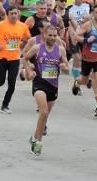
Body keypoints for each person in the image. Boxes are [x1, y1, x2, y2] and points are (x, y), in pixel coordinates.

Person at [23, 24, 69, 155]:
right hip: (39, 84)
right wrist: (29, 71)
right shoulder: (37, 48)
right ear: (44, 35)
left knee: (45, 116)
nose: (52, 38)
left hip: (53, 86)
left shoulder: (60, 50)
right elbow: (25, 59)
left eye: (55, 35)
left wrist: (64, 67)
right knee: (43, 111)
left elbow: (66, 67)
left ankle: (34, 137)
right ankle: (38, 141)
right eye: (50, 35)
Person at [0, 6, 31, 114]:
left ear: (18, 14)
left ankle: (5, 105)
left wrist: (23, 46)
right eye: (11, 13)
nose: (13, 15)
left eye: (15, 13)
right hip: (1, 57)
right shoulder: (0, 25)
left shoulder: (23, 26)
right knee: (0, 82)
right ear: (7, 15)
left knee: (12, 83)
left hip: (14, 59)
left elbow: (28, 39)